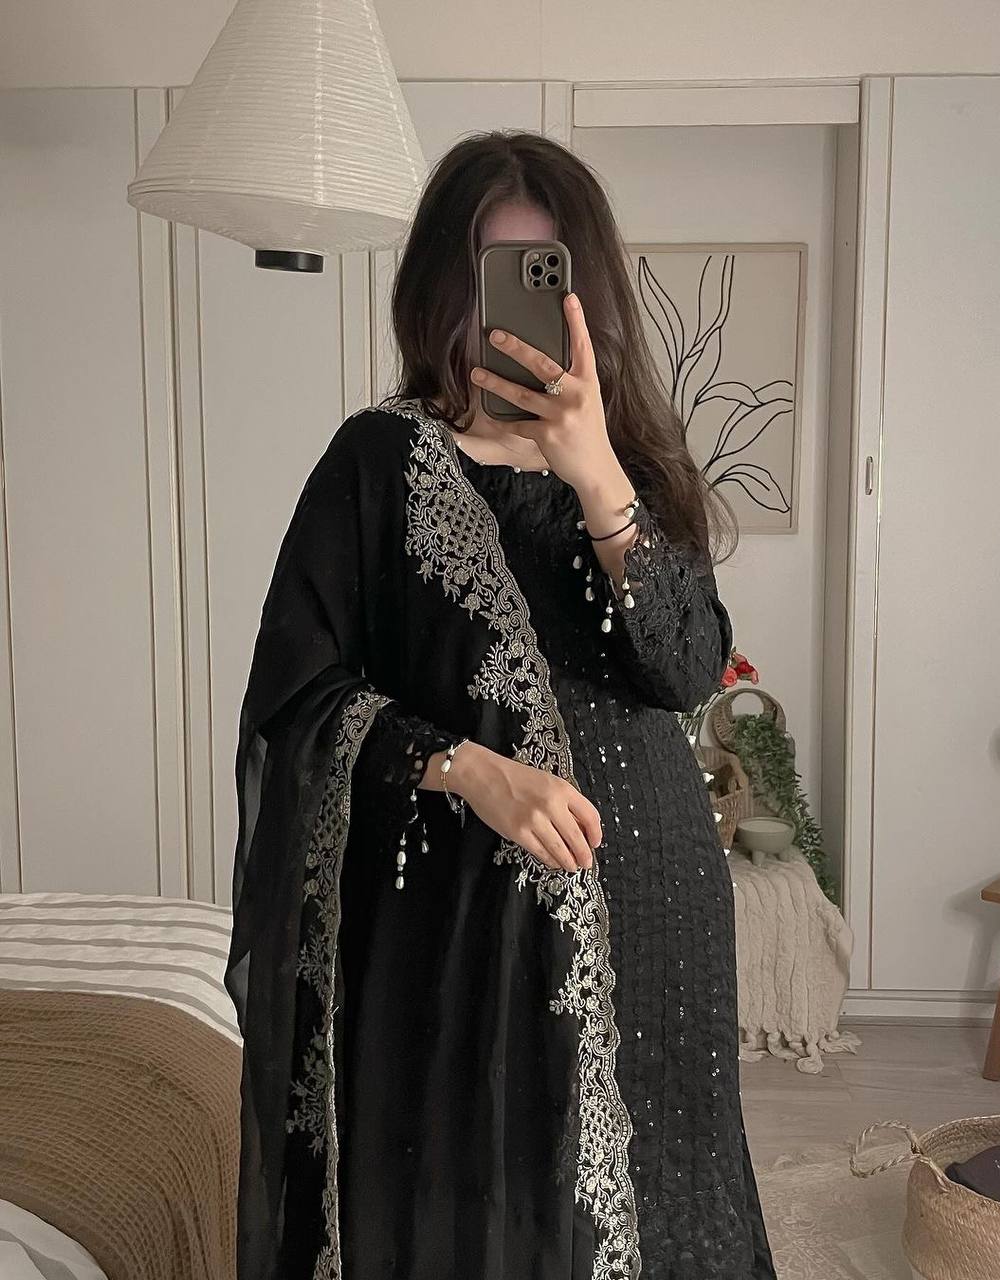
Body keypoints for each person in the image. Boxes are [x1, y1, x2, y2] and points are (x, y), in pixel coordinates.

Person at [224, 129, 777, 1280]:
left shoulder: (630, 462)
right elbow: (302, 691)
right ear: (441, 283)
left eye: (544, 270)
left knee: (664, 1194)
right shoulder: (376, 462)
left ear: (587, 291)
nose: (510, 309)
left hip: (652, 913)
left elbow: (685, 667)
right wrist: (470, 767)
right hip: (456, 921)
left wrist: (598, 475)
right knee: (477, 1197)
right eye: (492, 270)